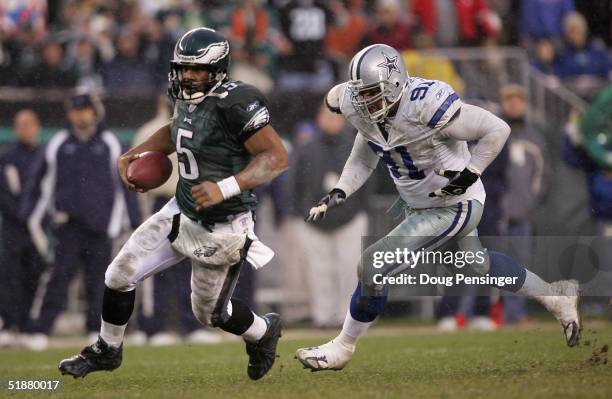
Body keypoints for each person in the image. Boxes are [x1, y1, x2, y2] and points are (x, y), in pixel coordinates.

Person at [295, 43, 582, 371]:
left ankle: (343, 346)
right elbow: (367, 146)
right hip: (419, 203)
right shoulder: (359, 105)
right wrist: (341, 189)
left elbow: (497, 129)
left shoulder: (426, 105)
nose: (363, 101)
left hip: (454, 202)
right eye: (359, 94)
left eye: (371, 93)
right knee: (478, 265)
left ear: (394, 84)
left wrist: (469, 173)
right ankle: (557, 297)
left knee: (374, 265)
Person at [58, 28, 288, 381]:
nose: (188, 76)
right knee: (119, 274)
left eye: (196, 70)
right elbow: (176, 128)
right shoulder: (185, 95)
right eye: (183, 68)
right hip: (181, 209)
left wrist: (225, 187)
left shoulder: (237, 101)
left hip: (223, 223)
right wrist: (136, 153)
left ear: (218, 69)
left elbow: (276, 157)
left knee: (210, 314)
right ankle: (107, 348)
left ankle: (261, 332)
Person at [21, 92, 141, 351]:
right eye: (76, 110)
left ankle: (94, 330)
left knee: (100, 282)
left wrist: (133, 221)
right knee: (57, 279)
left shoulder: (111, 143)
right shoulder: (57, 144)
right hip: (68, 227)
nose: (81, 115)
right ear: (69, 114)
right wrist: (31, 214)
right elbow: (39, 182)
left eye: (85, 109)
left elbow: (126, 184)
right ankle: (40, 329)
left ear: (95, 112)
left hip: (102, 228)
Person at [131, 95, 221, 345]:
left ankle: (191, 325)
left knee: (192, 265)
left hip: (192, 201)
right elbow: (136, 177)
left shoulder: (199, 127)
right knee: (154, 266)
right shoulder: (150, 132)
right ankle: (153, 327)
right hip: (160, 202)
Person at [289, 105, 370, 328]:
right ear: (318, 119)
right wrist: (301, 213)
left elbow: (366, 182)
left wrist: (359, 210)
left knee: (349, 269)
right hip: (315, 220)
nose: (331, 122)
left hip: (350, 219)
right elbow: (295, 184)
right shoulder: (306, 148)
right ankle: (322, 316)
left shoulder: (355, 146)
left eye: (336, 118)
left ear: (343, 121)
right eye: (327, 117)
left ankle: (347, 316)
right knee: (318, 270)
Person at [0, 110, 46, 347]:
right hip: (12, 228)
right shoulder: (7, 156)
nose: (26, 129)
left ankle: (30, 326)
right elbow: (5, 192)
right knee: (10, 277)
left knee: (34, 275)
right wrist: (21, 214)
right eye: (21, 125)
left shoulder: (45, 155)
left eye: (30, 124)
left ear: (37, 127)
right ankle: (8, 324)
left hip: (37, 229)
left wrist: (34, 216)